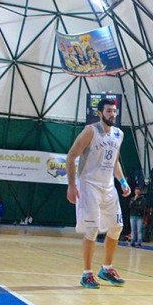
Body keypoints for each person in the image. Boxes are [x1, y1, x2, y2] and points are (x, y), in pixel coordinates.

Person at [66, 98, 130, 289]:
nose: (112, 114)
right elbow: (71, 156)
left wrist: (123, 181)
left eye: (114, 111)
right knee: (92, 229)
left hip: (108, 186)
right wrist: (71, 185)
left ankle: (107, 268)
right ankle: (87, 273)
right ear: (100, 113)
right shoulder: (90, 131)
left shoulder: (119, 134)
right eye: (109, 111)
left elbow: (115, 161)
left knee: (117, 226)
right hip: (89, 185)